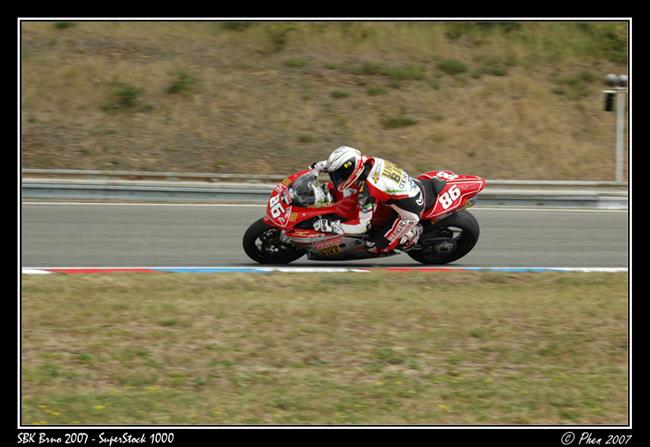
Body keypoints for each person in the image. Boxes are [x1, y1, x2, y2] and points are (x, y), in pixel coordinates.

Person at [309, 146, 426, 254]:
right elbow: (339, 165)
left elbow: (361, 226)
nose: (336, 178)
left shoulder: (367, 191)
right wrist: (318, 167)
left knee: (373, 246)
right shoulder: (364, 162)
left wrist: (331, 226)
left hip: (410, 213)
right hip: (406, 191)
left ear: (351, 171)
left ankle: (410, 234)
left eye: (340, 174)